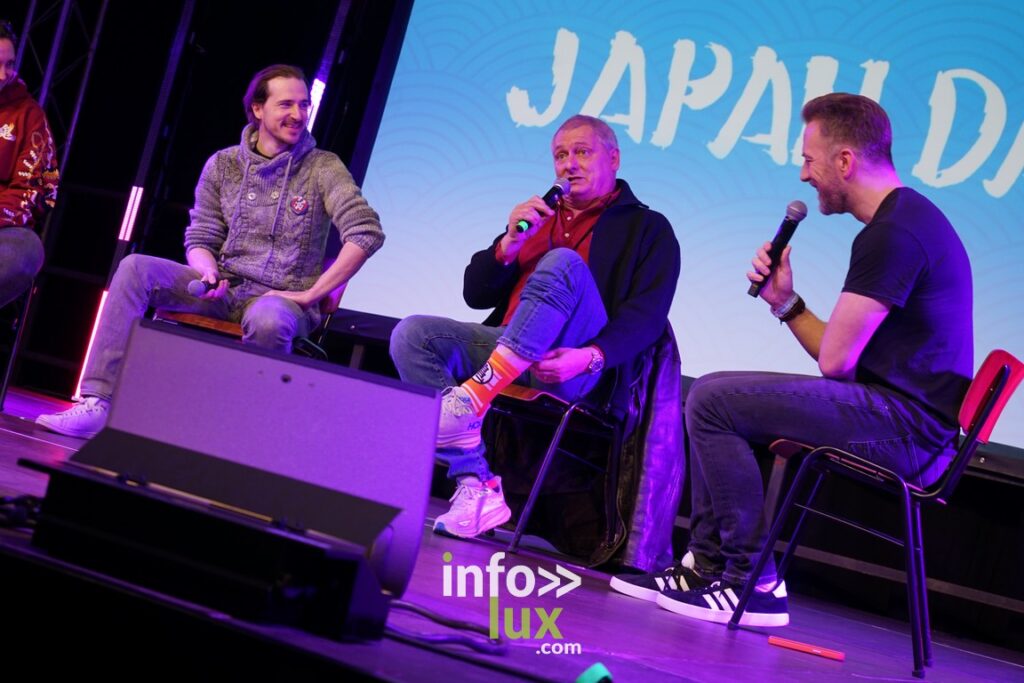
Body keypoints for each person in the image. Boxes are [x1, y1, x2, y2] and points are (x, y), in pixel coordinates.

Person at [610, 93, 973, 627]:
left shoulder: (893, 235)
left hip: (908, 432)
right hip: (906, 420)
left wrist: (788, 306)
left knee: (712, 399)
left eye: (809, 159)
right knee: (713, 396)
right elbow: (841, 355)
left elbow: (835, 362)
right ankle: (706, 566)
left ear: (844, 160)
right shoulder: (904, 219)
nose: (804, 175)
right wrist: (784, 302)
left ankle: (752, 582)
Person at [37, 64, 383, 438]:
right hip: (225, 288)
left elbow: (366, 232)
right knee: (136, 269)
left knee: (269, 320)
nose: (298, 115)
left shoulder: (323, 167)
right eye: (286, 104)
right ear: (258, 109)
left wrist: (310, 295)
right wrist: (207, 271)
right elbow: (201, 237)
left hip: (280, 300)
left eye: (304, 105)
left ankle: (245, 436)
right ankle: (97, 403)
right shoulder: (223, 164)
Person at [390, 114, 681, 540]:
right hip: (507, 352)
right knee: (412, 335)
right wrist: (509, 244)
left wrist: (589, 357)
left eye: (582, 152)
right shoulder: (538, 216)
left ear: (614, 159)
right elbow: (475, 294)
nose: (569, 164)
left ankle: (472, 397)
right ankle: (476, 485)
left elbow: (648, 317)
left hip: (576, 364)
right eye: (560, 156)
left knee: (562, 263)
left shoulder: (648, 227)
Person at [0, 19, 58, 308]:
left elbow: (41, 190)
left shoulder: (30, 116)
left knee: (26, 249)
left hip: (3, 227)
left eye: (9, 64)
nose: (3, 74)